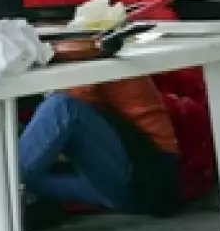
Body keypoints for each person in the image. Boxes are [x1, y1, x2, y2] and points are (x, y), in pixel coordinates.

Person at [19, 76, 182, 216]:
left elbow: (68, 114)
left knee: (61, 107)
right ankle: (2, 195)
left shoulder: (86, 49)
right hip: (104, 180)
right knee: (23, 179)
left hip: (149, 170)